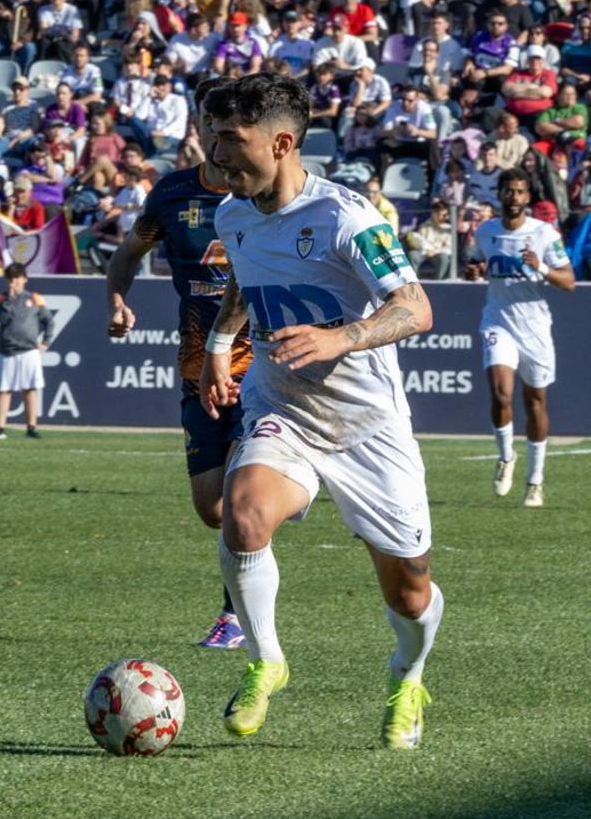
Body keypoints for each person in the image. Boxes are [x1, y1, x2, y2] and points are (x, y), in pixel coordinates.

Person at [199, 72, 440, 750]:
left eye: (231, 138)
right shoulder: (232, 214)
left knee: (410, 591)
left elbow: (416, 307)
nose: (216, 153)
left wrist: (342, 338)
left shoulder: (347, 218)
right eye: (212, 135)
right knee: (243, 514)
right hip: (283, 407)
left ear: (281, 143)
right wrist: (218, 346)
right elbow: (243, 281)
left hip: (367, 426)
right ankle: (266, 661)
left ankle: (407, 676)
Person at [106, 77, 251, 650]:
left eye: (227, 128)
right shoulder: (170, 195)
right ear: (198, 128)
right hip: (197, 371)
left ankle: (234, 616)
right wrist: (118, 300)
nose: (217, 138)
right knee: (212, 508)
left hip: (261, 370)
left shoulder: (266, 196)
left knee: (242, 504)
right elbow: (127, 255)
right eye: (208, 125)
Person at [464, 168, 576, 507]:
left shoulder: (543, 233)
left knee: (535, 402)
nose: (514, 198)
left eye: (520, 192)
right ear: (499, 194)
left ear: (528, 197)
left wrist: (540, 267)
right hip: (498, 321)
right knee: (501, 393)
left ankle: (535, 481)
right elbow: (476, 264)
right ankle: (506, 457)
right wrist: (474, 271)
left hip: (535, 327)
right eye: (508, 191)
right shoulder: (486, 231)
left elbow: (569, 281)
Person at [0, 262, 53, 440]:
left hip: (29, 351)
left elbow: (49, 321)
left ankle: (31, 427)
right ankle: (0, 428)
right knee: (4, 390)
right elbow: (3, 319)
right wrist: (9, 299)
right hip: (7, 350)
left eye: (16, 278)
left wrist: (45, 342)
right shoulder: (0, 299)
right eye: (10, 279)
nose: (13, 282)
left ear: (25, 279)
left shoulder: (35, 298)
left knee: (29, 389)